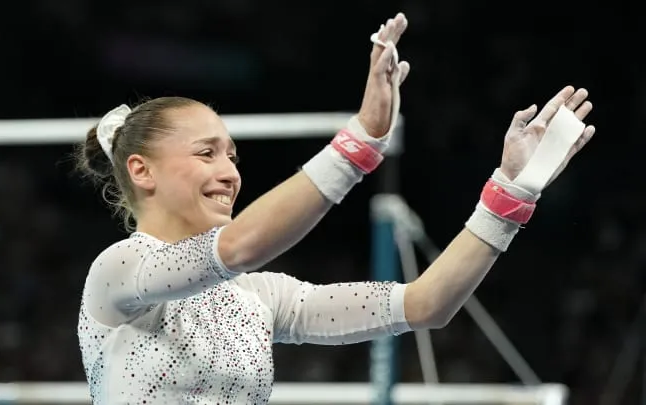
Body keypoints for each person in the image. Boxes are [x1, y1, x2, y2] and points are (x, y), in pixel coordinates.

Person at [75, 12, 595, 405]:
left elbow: (424, 305)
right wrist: (362, 141)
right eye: (206, 153)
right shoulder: (119, 272)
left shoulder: (260, 297)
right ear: (142, 171)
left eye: (232, 155)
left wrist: (511, 192)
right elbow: (240, 246)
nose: (230, 172)